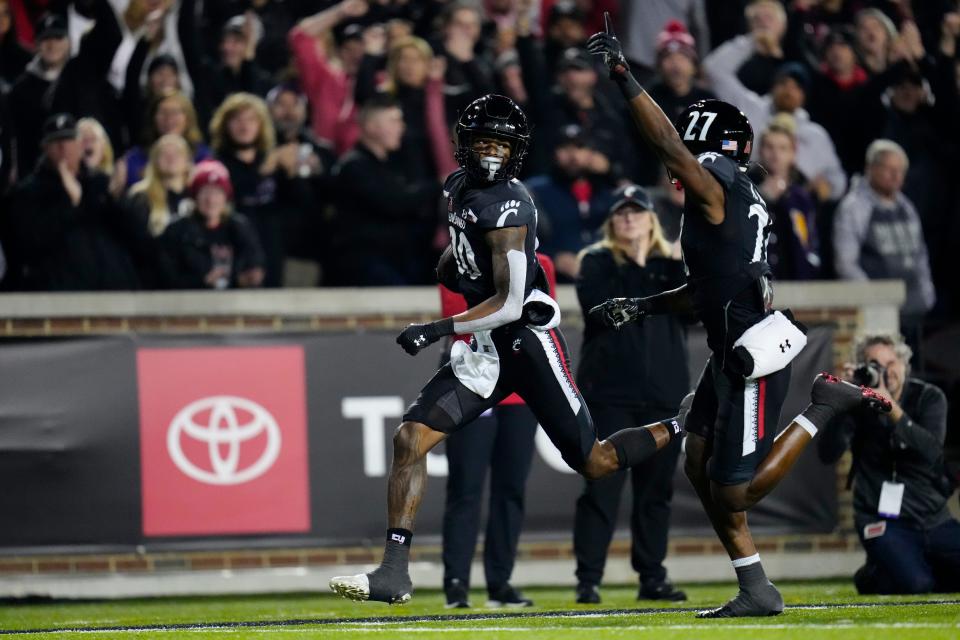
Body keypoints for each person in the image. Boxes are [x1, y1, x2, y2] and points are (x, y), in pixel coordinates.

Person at [329, 94, 695, 605]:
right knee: (411, 438)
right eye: (483, 141)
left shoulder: (510, 207)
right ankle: (394, 571)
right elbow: (464, 248)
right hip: (486, 350)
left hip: (526, 344)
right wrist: (452, 262)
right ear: (464, 146)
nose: (492, 153)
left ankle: (682, 422)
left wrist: (435, 329)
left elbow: (510, 303)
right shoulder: (458, 187)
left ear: (517, 150)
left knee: (594, 461)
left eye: (502, 143)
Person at [586, 18, 891, 617]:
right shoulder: (734, 194)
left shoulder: (716, 184)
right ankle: (755, 585)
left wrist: (625, 77)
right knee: (698, 463)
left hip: (751, 353)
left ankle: (824, 405)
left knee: (736, 489)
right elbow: (709, 286)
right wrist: (646, 305)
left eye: (689, 148)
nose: (679, 165)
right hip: (733, 342)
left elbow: (670, 147)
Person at [572, 185, 688, 605]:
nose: (628, 219)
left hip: (662, 396)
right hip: (611, 395)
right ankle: (589, 579)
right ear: (610, 221)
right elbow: (601, 310)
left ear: (651, 218)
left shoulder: (672, 265)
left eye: (636, 211)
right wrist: (655, 279)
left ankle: (652, 577)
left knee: (656, 494)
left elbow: (693, 309)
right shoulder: (597, 262)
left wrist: (674, 264)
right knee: (600, 490)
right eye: (620, 212)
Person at [440, 253, 557, 610]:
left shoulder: (543, 264)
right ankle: (456, 583)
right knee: (466, 487)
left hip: (520, 391)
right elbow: (463, 320)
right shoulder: (457, 265)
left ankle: (500, 582)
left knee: (511, 489)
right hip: (473, 384)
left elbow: (543, 320)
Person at [818, 334, 960, 595]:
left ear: (904, 364)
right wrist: (842, 399)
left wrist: (891, 408)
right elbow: (827, 454)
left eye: (891, 363)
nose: (886, 372)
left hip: (933, 517)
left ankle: (890, 565)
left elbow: (931, 450)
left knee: (931, 577)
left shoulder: (928, 397)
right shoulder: (857, 404)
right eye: (875, 365)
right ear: (863, 368)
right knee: (918, 584)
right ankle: (873, 574)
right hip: (882, 520)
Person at [3, 113, 139, 291]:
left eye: (69, 140)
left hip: (111, 287)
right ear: (45, 148)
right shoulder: (28, 192)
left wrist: (115, 199)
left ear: (80, 145)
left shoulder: (100, 184)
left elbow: (135, 235)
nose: (63, 147)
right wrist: (72, 205)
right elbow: (29, 242)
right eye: (56, 142)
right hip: (60, 292)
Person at [326, 96, 441, 286]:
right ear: (371, 127)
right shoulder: (354, 167)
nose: (401, 127)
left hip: (393, 260)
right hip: (365, 266)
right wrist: (439, 185)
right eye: (394, 121)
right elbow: (395, 202)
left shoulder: (388, 167)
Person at [832, 139, 935, 345]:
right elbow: (845, 263)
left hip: (914, 311)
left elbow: (920, 253)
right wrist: (873, 300)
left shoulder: (906, 206)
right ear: (870, 168)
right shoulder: (854, 207)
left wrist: (927, 293)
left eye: (900, 170)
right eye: (889, 169)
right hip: (877, 317)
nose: (896, 176)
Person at [159, 159, 264, 290]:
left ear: (226, 198)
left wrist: (244, 279)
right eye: (205, 192)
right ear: (195, 196)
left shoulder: (240, 228)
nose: (211, 200)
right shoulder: (177, 230)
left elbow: (254, 264)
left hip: (235, 303)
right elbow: (165, 278)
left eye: (217, 192)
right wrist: (202, 282)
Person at [752, 114, 820, 280]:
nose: (775, 154)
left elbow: (809, 244)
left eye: (783, 148)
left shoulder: (801, 197)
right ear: (760, 151)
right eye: (770, 147)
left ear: (793, 153)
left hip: (795, 283)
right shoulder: (746, 191)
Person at [124, 133, 195, 288]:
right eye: (164, 153)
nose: (171, 158)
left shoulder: (198, 197)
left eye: (177, 153)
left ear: (187, 161)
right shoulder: (139, 198)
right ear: (154, 161)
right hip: (151, 282)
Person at [9, 13, 70, 174]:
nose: (52, 45)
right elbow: (15, 138)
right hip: (34, 173)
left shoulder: (79, 78)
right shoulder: (21, 88)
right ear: (36, 45)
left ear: (68, 42)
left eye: (57, 38)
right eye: (46, 39)